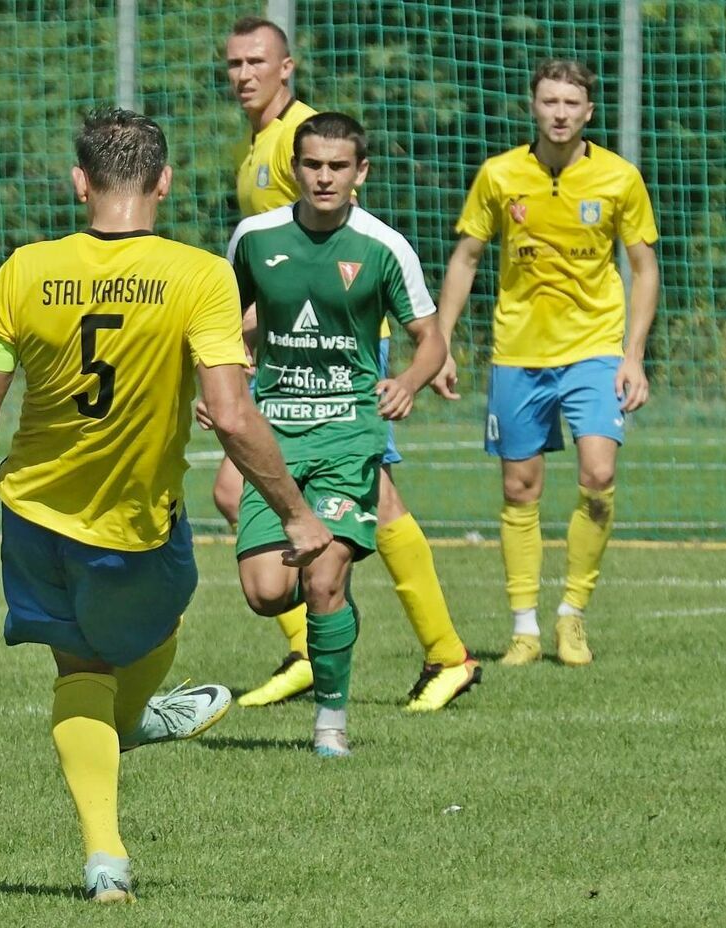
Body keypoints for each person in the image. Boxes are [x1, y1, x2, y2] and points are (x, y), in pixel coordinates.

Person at [0, 107, 331, 902]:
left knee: (79, 669)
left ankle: (105, 860)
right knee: (161, 629)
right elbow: (230, 413)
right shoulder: (199, 275)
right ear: (163, 182)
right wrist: (295, 511)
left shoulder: (24, 270)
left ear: (80, 182)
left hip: (32, 514)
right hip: (135, 525)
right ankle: (133, 731)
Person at [223, 17, 479, 711]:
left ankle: (427, 651)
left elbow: (339, 253)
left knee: (360, 499)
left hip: (338, 358)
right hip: (286, 363)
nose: (243, 75)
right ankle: (334, 639)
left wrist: (419, 355)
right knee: (261, 494)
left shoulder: (301, 137)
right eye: (233, 63)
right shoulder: (254, 148)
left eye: (257, 62)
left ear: (288, 68)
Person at [433, 58, 659, 667]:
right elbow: (467, 258)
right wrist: (441, 342)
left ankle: (573, 616)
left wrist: (633, 356)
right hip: (518, 353)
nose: (559, 113)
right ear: (533, 107)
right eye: (549, 102)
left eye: (571, 103)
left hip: (595, 349)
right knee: (519, 487)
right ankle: (526, 628)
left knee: (598, 477)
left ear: (589, 111)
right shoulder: (500, 175)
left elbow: (643, 269)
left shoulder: (618, 178)